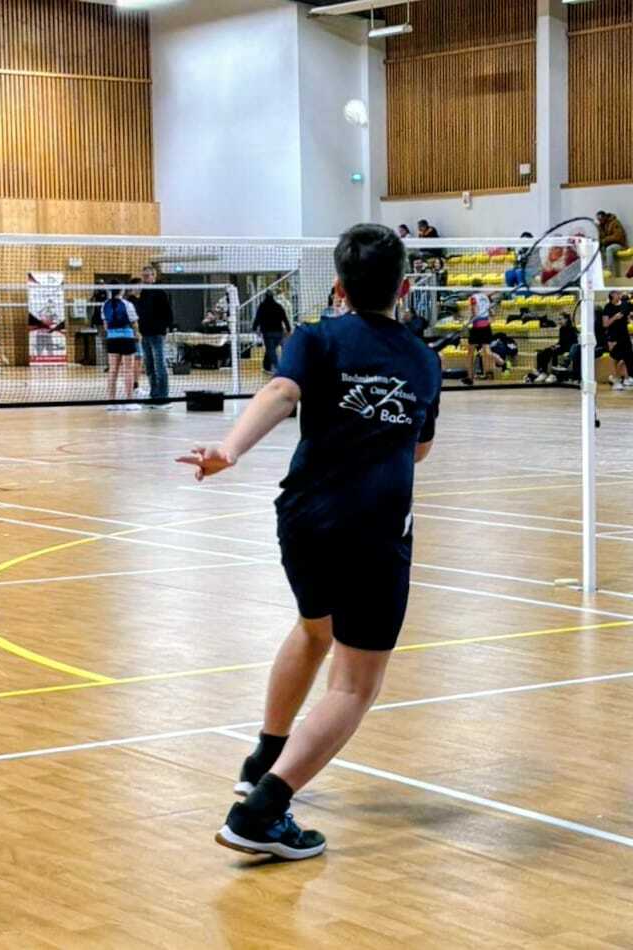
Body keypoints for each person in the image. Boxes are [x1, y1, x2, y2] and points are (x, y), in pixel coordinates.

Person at [177, 223, 442, 861]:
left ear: (339, 289)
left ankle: (263, 758)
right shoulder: (423, 360)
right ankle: (261, 811)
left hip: (303, 520)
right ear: (405, 288)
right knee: (353, 686)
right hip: (374, 530)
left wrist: (229, 449)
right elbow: (420, 447)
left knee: (313, 630)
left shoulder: (314, 337)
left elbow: (280, 392)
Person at [135, 264, 173, 404]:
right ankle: (154, 394)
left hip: (157, 334)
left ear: (153, 276)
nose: (145, 278)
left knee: (160, 365)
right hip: (145, 334)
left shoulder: (160, 292)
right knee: (149, 366)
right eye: (143, 276)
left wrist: (164, 329)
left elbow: (168, 314)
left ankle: (163, 397)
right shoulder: (142, 293)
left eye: (147, 276)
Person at [102, 286, 139, 407]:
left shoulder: (104, 305)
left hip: (112, 339)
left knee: (113, 370)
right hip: (127, 339)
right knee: (128, 370)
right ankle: (129, 401)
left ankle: (111, 402)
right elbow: (134, 323)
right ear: (121, 291)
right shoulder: (128, 304)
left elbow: (105, 325)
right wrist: (137, 334)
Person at [603, 291, 633, 390]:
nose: (619, 295)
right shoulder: (608, 307)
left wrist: (631, 316)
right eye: (616, 293)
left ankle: (626, 378)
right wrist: (615, 317)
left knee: (626, 357)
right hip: (613, 336)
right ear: (612, 296)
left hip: (624, 334)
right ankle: (616, 380)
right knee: (616, 359)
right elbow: (605, 324)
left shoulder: (624, 305)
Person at [253, 290, 291, 374]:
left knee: (271, 351)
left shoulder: (262, 306)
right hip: (278, 332)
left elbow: (257, 318)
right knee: (271, 350)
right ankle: (266, 366)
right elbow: (284, 318)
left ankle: (277, 368)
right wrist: (288, 329)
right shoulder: (278, 306)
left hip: (267, 332)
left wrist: (254, 328)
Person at [534, 312, 579, 383]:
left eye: (560, 319)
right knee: (543, 351)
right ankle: (543, 372)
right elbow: (561, 341)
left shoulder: (572, 329)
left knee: (554, 352)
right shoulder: (561, 329)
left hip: (568, 348)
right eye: (558, 320)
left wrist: (558, 347)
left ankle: (553, 375)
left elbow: (573, 343)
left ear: (566, 319)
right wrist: (555, 345)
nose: (559, 321)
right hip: (561, 347)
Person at [462, 292, 493, 386]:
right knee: (487, 352)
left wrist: (467, 323)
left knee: (470, 353)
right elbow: (492, 313)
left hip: (476, 328)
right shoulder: (485, 297)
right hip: (486, 326)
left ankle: (470, 377)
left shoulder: (473, 298)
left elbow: (475, 312)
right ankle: (502, 364)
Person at [596, 211, 628, 275]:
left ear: (605, 217)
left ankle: (609, 271)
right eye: (598, 219)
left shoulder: (614, 223)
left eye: (601, 219)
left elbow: (618, 236)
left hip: (620, 244)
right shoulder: (600, 226)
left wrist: (605, 240)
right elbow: (600, 237)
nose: (600, 221)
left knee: (609, 249)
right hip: (608, 245)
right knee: (598, 249)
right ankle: (602, 270)